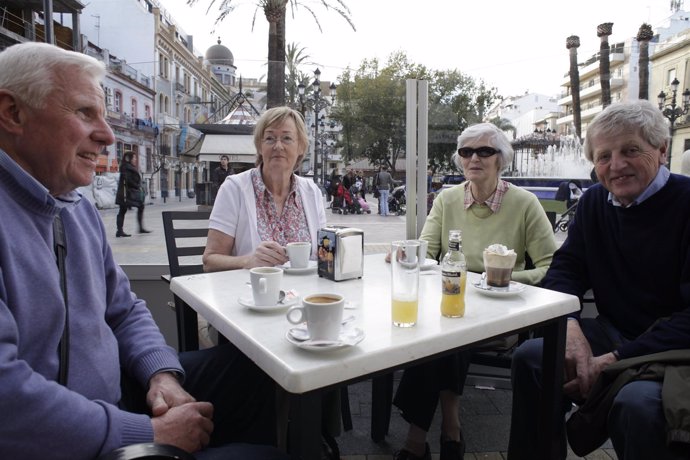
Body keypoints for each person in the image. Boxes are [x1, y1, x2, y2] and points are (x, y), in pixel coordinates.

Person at [0, 42, 286, 460]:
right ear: (12, 114)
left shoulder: (74, 207)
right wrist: (148, 432)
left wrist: (161, 373)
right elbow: (8, 401)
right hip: (63, 440)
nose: (108, 134)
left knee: (253, 369)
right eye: (84, 112)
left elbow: (124, 309)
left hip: (118, 395)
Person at [508, 100, 690, 460]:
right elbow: (566, 269)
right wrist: (570, 326)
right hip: (614, 331)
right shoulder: (594, 203)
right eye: (604, 156)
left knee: (638, 404)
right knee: (532, 358)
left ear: (662, 150)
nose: (616, 166)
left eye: (631, 150)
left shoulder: (686, 204)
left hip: (674, 350)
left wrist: (614, 359)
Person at [392, 123, 556, 460]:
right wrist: (406, 253)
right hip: (450, 302)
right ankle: (450, 430)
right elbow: (426, 250)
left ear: (501, 159)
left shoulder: (524, 204)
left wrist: (506, 281)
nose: (474, 158)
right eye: (466, 152)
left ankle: (416, 441)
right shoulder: (448, 199)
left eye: (484, 151)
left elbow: (551, 265)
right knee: (447, 328)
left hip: (502, 312)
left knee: (445, 334)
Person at [203, 106, 326, 271]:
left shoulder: (312, 193)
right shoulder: (234, 189)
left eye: (287, 138)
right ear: (260, 147)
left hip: (305, 294)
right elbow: (210, 261)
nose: (278, 146)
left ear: (301, 147)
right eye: (269, 138)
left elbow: (323, 254)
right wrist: (248, 261)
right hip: (250, 292)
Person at [115, 150, 150, 236]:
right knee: (124, 210)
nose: (135, 159)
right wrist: (137, 186)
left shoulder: (127, 167)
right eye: (134, 158)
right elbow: (128, 180)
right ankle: (120, 231)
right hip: (126, 194)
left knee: (124, 210)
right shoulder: (126, 167)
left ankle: (121, 230)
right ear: (129, 158)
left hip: (127, 193)